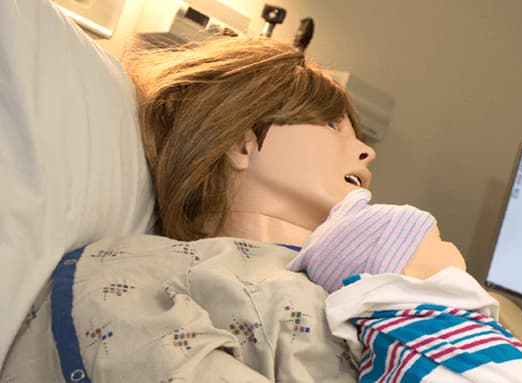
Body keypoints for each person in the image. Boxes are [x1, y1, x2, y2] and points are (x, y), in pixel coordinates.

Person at [4, 37, 358, 381]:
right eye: (332, 126)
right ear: (241, 145)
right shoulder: (132, 276)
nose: (366, 152)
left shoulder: (363, 288)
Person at [289, 188, 522, 382]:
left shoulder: (422, 327)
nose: (450, 245)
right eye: (439, 238)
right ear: (401, 269)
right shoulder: (426, 328)